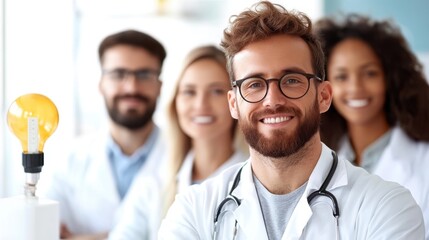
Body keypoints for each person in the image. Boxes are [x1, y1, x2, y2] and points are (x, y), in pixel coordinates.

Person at [158, 2, 425, 239]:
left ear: (324, 96)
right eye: (254, 84)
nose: (272, 100)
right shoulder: (193, 210)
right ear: (233, 104)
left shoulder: (387, 206)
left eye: (292, 80)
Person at [108, 45, 248, 240]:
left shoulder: (255, 181)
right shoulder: (154, 181)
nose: (201, 105)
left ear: (234, 101)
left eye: (216, 91)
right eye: (189, 92)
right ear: (175, 103)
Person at [40, 29, 168, 239]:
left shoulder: (185, 158)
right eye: (118, 74)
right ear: (101, 84)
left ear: (159, 86)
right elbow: (43, 232)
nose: (131, 87)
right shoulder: (69, 159)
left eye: (144, 75)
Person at [314, 14, 429, 239]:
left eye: (370, 73)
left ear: (390, 78)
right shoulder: (320, 161)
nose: (356, 87)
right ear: (325, 88)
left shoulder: (423, 160)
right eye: (342, 76)